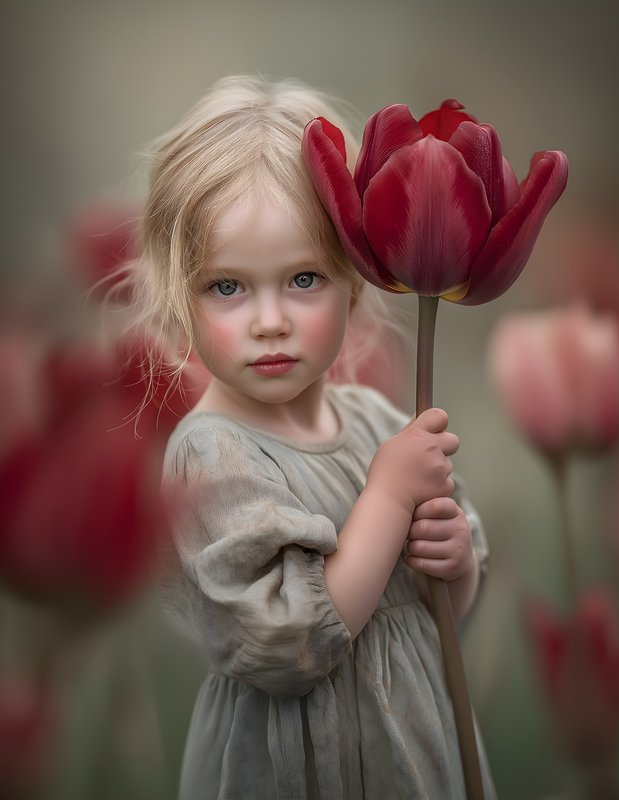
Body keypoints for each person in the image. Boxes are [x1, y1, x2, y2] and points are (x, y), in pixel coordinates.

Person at [129, 74, 496, 800]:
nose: (271, 321)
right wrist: (386, 499)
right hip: (298, 770)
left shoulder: (377, 424)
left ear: (356, 281)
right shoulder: (213, 455)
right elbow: (292, 644)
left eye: (303, 279)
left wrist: (455, 566)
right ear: (178, 295)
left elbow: (442, 620)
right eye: (227, 286)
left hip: (414, 756)